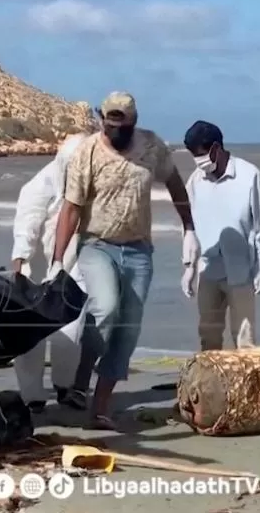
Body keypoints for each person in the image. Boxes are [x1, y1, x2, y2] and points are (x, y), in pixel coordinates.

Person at [50, 92, 199, 430]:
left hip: (138, 249)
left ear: (133, 121)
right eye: (109, 122)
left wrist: (189, 228)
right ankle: (81, 377)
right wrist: (57, 261)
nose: (114, 130)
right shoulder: (87, 152)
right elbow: (71, 208)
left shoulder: (150, 146)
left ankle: (101, 406)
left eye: (122, 124)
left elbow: (175, 182)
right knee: (105, 307)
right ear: (102, 119)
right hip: (96, 244)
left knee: (128, 326)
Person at [10, 133, 91, 413]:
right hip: (37, 271)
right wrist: (20, 260)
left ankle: (65, 387)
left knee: (71, 331)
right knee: (31, 338)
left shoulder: (87, 185)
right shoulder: (39, 186)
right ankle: (32, 396)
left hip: (72, 268)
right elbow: (27, 225)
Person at [182, 121, 260, 350]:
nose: (198, 161)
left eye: (201, 155)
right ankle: (212, 384)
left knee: (245, 339)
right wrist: (189, 266)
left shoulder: (249, 175)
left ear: (216, 148)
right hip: (208, 269)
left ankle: (246, 385)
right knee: (208, 336)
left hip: (242, 271)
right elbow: (189, 227)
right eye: (193, 155)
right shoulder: (195, 180)